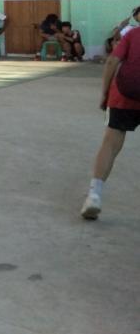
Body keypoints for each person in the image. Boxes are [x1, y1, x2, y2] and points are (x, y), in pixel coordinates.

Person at [80, 25, 140, 220]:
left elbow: (112, 61)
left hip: (125, 94)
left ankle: (94, 196)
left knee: (111, 143)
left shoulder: (133, 34)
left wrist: (105, 93)